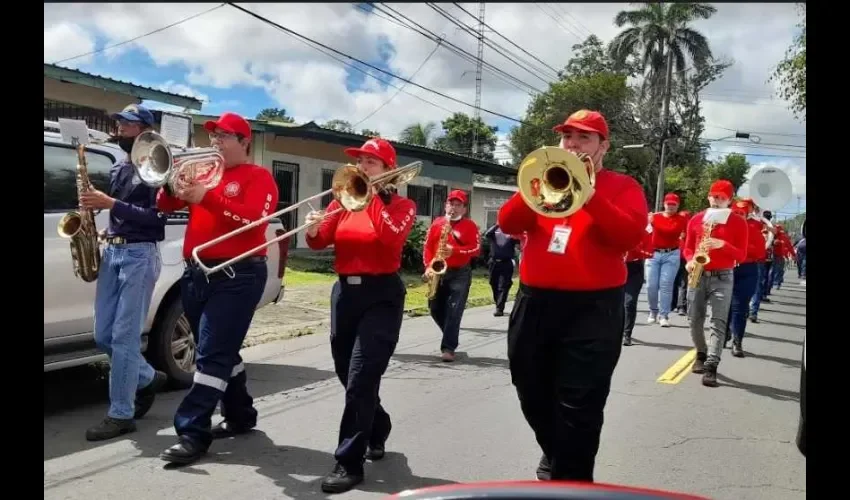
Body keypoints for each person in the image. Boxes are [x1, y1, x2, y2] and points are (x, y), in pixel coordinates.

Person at [498, 109, 648, 482]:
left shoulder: (624, 186)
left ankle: (572, 483)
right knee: (529, 388)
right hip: (535, 303)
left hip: (595, 309)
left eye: (583, 138)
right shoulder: (546, 182)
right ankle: (558, 454)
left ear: (603, 146)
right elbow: (508, 223)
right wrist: (530, 185)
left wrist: (589, 193)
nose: (572, 144)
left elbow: (629, 237)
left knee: (580, 404)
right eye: (567, 137)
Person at [156, 112, 279, 465]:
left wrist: (205, 197)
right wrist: (170, 183)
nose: (215, 142)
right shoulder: (204, 173)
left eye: (225, 136)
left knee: (210, 354)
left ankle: (192, 432)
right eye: (213, 136)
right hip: (197, 272)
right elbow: (166, 206)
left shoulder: (259, 177)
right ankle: (241, 415)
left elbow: (254, 221)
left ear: (245, 143)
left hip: (237, 276)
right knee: (220, 350)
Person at [304, 138, 417, 493]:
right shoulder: (343, 201)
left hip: (382, 294)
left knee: (361, 377)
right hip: (345, 294)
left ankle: (348, 461)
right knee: (346, 372)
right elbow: (319, 241)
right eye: (360, 161)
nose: (362, 168)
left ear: (388, 170)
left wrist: (375, 200)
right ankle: (377, 425)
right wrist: (312, 226)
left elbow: (390, 239)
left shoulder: (402, 205)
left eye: (371, 162)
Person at [82, 104, 168, 442]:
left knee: (124, 337)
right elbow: (118, 211)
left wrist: (110, 205)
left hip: (139, 254)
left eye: (127, 125)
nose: (119, 129)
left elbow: (158, 220)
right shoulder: (119, 166)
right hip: (114, 250)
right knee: (103, 333)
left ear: (145, 130)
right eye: (118, 123)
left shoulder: (159, 167)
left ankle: (121, 413)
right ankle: (145, 377)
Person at [683, 180, 748, 387]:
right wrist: (690, 260)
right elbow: (687, 248)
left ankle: (712, 365)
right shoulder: (696, 220)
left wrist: (723, 244)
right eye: (714, 196)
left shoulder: (738, 222)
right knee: (694, 319)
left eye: (721, 197)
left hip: (723, 276)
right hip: (699, 274)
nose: (716, 200)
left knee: (718, 321)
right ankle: (701, 353)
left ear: (729, 201)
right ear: (708, 197)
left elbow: (742, 255)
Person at [423, 190, 481, 362]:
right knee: (434, 309)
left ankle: (448, 348)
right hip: (439, 272)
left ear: (464, 209)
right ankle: (451, 334)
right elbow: (427, 247)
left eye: (457, 205)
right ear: (445, 206)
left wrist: (455, 250)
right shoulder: (437, 223)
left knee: (454, 310)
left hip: (460, 273)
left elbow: (476, 249)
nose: (453, 208)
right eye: (450, 204)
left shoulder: (470, 226)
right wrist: (428, 267)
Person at [724, 198, 765, 357]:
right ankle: (724, 333)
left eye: (743, 213)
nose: (739, 215)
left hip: (747, 269)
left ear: (747, 214)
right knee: (724, 305)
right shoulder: (725, 228)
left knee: (740, 307)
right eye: (736, 212)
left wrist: (739, 248)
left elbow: (760, 252)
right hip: (727, 268)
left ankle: (737, 341)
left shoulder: (754, 229)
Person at [645, 193, 687, 327]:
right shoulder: (655, 217)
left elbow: (673, 231)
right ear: (664, 204)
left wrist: (653, 221)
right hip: (653, 254)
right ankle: (653, 311)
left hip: (671, 254)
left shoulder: (681, 219)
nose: (671, 206)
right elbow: (645, 231)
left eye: (673, 204)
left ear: (678, 205)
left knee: (666, 285)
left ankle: (664, 315)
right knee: (651, 285)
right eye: (668, 204)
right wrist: (648, 220)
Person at [623, 225, 653, 346]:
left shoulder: (646, 230)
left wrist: (635, 249)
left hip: (634, 268)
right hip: (617, 266)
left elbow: (650, 253)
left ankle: (627, 334)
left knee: (629, 302)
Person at [484, 223, 521, 316]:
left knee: (503, 285)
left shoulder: (511, 233)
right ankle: (498, 303)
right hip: (494, 262)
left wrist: (512, 228)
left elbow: (519, 239)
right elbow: (487, 234)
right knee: (493, 283)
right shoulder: (494, 232)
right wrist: (498, 224)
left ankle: (499, 308)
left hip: (506, 262)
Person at [670, 209, 691, 316]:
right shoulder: (675, 226)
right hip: (674, 257)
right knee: (675, 282)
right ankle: (674, 304)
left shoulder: (690, 229)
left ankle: (681, 306)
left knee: (682, 283)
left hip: (684, 258)